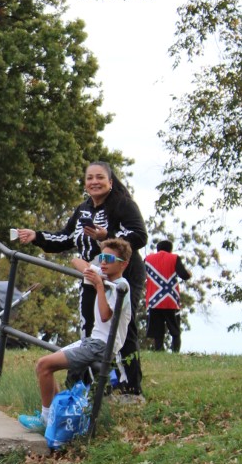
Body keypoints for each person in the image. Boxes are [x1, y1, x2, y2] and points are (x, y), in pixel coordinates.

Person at [14, 160, 148, 395]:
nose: (94, 182)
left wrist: (107, 235)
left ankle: (129, 387)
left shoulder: (123, 205)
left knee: (119, 328)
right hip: (91, 276)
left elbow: (139, 236)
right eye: (89, 178)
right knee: (89, 328)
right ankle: (89, 385)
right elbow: (66, 238)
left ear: (110, 181)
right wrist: (37, 236)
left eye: (100, 177)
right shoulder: (83, 209)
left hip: (121, 276)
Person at [19, 239, 132, 436]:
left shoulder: (121, 286)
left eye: (109, 259)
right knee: (44, 366)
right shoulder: (104, 276)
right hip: (92, 340)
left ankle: (46, 420)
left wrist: (98, 285)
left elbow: (106, 315)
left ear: (124, 264)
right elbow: (75, 261)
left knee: (44, 365)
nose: (103, 262)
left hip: (102, 345)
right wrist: (93, 270)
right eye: (101, 257)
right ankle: (53, 418)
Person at [144, 238, 191, 352]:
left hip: (154, 300)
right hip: (170, 300)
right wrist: (189, 274)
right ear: (170, 249)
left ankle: (159, 350)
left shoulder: (147, 259)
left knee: (157, 330)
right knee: (175, 329)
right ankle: (175, 351)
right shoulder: (174, 258)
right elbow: (184, 275)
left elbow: (140, 275)